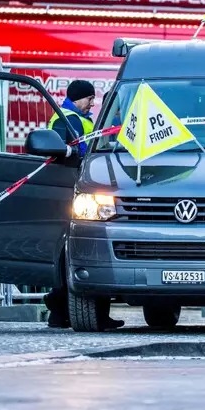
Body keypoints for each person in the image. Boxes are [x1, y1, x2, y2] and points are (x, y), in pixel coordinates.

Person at [42, 79, 125, 330]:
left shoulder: (80, 119)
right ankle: (60, 311)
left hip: (80, 191)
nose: (92, 103)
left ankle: (67, 314)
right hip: (70, 191)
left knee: (76, 254)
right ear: (78, 97)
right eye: (89, 98)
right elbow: (70, 150)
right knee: (74, 254)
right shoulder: (66, 119)